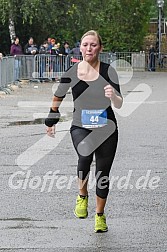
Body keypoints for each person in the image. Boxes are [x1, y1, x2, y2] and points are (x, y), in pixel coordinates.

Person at [45, 30, 123, 233]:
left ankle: (99, 215)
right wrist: (51, 119)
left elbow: (120, 103)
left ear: (100, 48)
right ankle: (82, 195)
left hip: (106, 129)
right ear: (80, 48)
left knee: (102, 173)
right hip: (81, 126)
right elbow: (58, 97)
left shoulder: (108, 72)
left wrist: (113, 95)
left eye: (93, 45)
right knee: (85, 154)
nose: (89, 48)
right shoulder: (72, 72)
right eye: (85, 45)